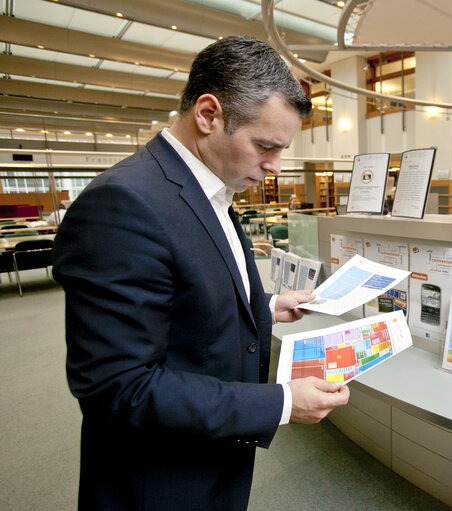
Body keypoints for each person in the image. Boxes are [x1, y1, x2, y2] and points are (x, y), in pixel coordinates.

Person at [52, 37, 349, 511]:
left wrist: (266, 307)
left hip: (211, 461)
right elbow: (120, 389)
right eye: (265, 146)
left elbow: (182, 293)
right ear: (209, 114)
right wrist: (282, 403)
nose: (273, 167)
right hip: (160, 482)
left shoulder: (210, 187)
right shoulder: (123, 204)